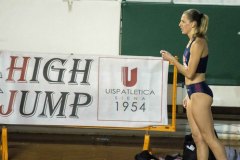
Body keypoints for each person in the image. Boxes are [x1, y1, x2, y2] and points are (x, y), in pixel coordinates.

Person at [160, 9, 227, 160]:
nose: (180, 24)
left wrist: (172, 60)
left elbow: (190, 73)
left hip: (200, 92)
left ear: (193, 24)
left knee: (210, 138)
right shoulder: (191, 42)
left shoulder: (199, 43)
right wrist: (187, 95)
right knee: (198, 138)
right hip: (192, 93)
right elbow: (189, 77)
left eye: (183, 21)